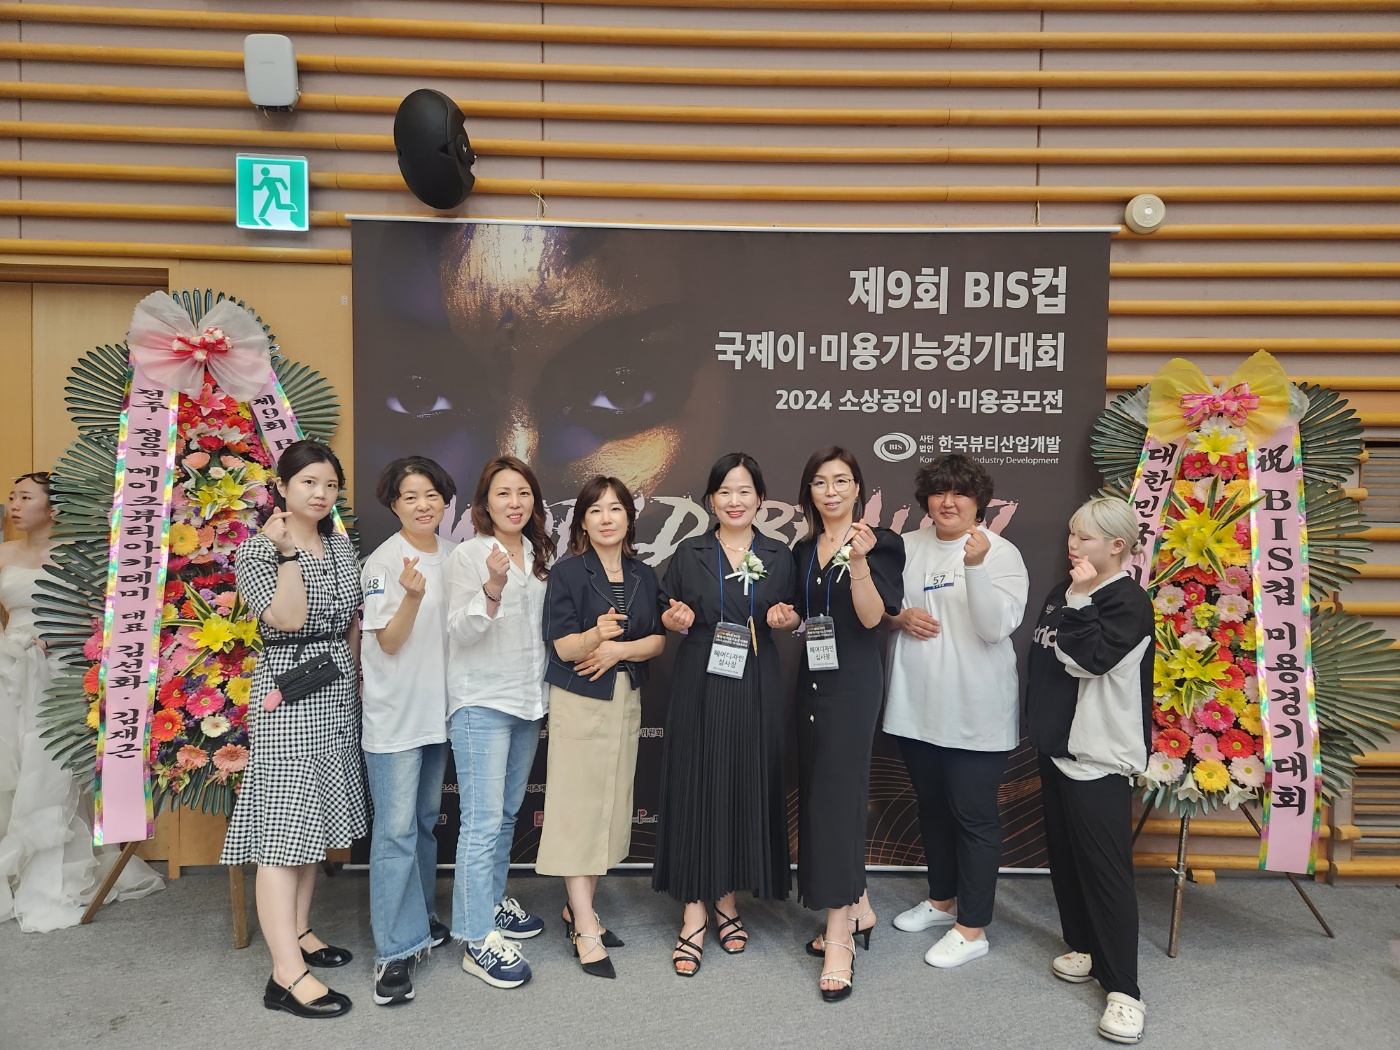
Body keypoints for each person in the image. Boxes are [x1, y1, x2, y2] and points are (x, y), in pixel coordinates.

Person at [221, 441, 367, 1019]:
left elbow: (352, 616)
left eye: (330, 485)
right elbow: (287, 618)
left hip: (335, 687)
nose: (320, 494)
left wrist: (355, 673)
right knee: (283, 832)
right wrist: (286, 556)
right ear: (281, 487)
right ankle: (284, 974)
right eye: (308, 482)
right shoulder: (258, 550)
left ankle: (301, 932)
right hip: (288, 692)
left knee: (314, 823)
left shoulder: (338, 542)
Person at [882, 453, 1029, 969]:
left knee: (973, 817)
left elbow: (993, 628)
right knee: (932, 809)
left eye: (960, 493)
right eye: (939, 491)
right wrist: (899, 618)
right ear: (925, 499)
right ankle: (942, 901)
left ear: (978, 502)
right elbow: (882, 606)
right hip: (916, 705)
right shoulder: (906, 546)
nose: (948, 502)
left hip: (975, 711)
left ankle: (973, 928)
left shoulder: (1000, 553)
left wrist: (974, 567)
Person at [653, 452, 796, 977]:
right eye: (725, 492)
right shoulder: (690, 552)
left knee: (740, 784)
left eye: (744, 491)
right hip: (700, 675)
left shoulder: (779, 554)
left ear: (760, 498)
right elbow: (665, 610)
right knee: (698, 784)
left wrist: (786, 617)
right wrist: (674, 618)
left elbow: (797, 613)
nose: (735, 501)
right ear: (710, 500)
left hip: (755, 677)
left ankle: (727, 900)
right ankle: (694, 910)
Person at [768, 448, 904, 1002]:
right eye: (821, 482)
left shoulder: (881, 543)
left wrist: (861, 563)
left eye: (842, 481)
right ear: (809, 491)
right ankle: (859, 905)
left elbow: (872, 617)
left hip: (853, 683)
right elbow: (801, 616)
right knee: (820, 794)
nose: (831, 491)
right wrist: (785, 618)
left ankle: (839, 938)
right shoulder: (802, 550)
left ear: (857, 489)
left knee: (838, 801)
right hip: (811, 680)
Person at [0, 472, 162, 931]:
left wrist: (64, 639)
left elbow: (97, 615)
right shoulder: (3, 553)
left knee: (48, 764)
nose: (14, 505)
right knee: (9, 764)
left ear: (53, 509)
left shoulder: (78, 555)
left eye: (25, 497)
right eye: (12, 497)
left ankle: (52, 876)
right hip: (8, 668)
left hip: (60, 669)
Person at [1026, 496, 1153, 1045]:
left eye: (1085, 537)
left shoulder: (1126, 601)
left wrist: (1078, 600)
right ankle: (1083, 947)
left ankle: (1125, 991)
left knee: (1106, 873)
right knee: (1066, 859)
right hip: (1056, 747)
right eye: (1072, 534)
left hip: (1098, 757)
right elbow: (1041, 661)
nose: (1072, 544)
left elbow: (1086, 660)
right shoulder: (1066, 590)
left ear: (1117, 546)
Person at [536, 476, 665, 979]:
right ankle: (585, 924)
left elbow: (656, 641)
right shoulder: (567, 573)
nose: (607, 518)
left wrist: (617, 650)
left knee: (609, 804)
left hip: (625, 697)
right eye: (596, 510)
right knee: (577, 809)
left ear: (629, 517)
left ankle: (578, 909)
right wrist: (594, 637)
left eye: (615, 508)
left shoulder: (644, 574)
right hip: (580, 699)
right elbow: (562, 646)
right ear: (582, 522)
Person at [444, 456, 553, 989]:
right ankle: (474, 938)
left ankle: (488, 902)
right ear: (485, 502)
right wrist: (492, 586)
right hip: (481, 702)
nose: (515, 503)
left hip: (528, 702)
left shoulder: (537, 555)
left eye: (524, 493)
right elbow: (459, 633)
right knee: (482, 822)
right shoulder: (467, 555)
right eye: (504, 493)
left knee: (507, 815)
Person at [359, 457, 459, 1006]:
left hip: (438, 715)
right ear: (394, 504)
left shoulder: (455, 554)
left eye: (431, 495)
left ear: (445, 500)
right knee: (395, 832)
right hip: (396, 718)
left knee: (422, 824)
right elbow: (390, 642)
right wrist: (414, 597)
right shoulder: (382, 563)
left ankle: (419, 920)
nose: (423, 505)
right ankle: (393, 951)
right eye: (410, 496)